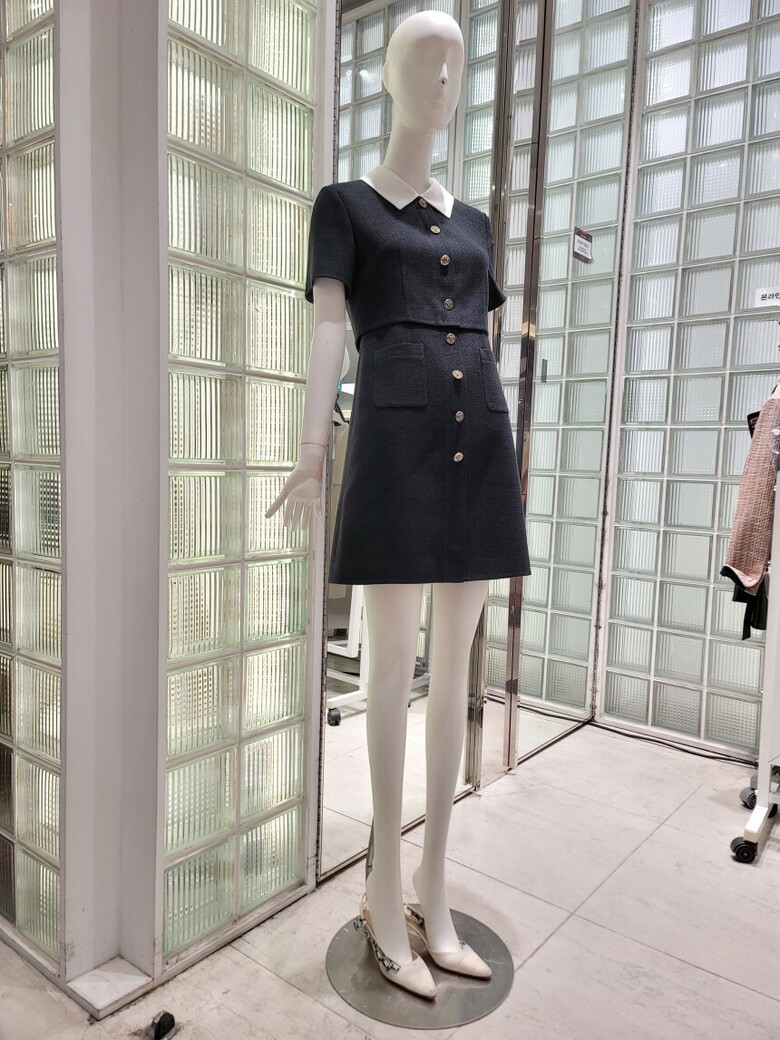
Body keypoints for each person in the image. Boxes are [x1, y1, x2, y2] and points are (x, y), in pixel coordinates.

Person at [267, 10, 529, 1000]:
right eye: (426, 58)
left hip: (480, 447)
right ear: (384, 74)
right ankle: (381, 893)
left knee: (455, 672)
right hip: (393, 443)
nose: (445, 77)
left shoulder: (476, 224)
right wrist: (311, 451)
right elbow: (330, 330)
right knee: (388, 674)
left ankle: (434, 889)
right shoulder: (346, 204)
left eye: (457, 62)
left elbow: (481, 340)